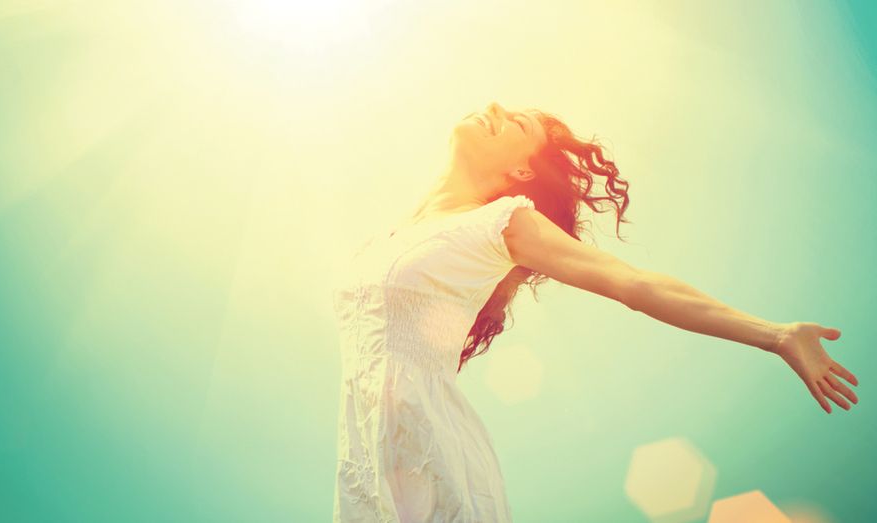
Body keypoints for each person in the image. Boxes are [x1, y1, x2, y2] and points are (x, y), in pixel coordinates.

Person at [330, 101, 859, 522]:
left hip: (437, 465)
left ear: (519, 169)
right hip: (365, 474)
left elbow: (633, 283)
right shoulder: (383, 240)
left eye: (515, 122)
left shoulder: (504, 222)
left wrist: (775, 334)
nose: (494, 105)